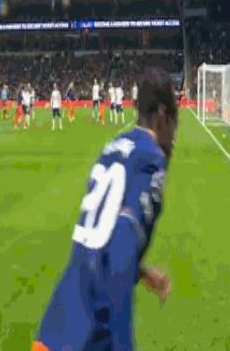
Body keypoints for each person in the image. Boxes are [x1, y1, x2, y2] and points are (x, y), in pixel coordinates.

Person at [32, 67, 178, 351]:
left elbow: (101, 242)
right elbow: (120, 248)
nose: (175, 134)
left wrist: (142, 272)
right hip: (88, 336)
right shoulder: (152, 161)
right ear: (162, 116)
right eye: (175, 121)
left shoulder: (112, 148)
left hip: (55, 327)